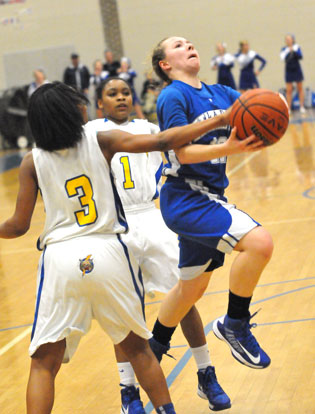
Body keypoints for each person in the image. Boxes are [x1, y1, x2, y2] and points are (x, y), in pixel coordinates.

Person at [0, 81, 237, 414]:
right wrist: (218, 119)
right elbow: (163, 140)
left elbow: (17, 226)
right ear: (71, 111)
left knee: (42, 363)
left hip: (60, 258)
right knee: (139, 350)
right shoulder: (101, 140)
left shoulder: (31, 161)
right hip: (109, 250)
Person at [88, 77, 231, 412]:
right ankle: (128, 391)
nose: (121, 97)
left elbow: (181, 151)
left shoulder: (150, 127)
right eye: (112, 94)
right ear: (100, 104)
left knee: (183, 299)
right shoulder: (92, 132)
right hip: (114, 225)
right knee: (124, 312)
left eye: (125, 92)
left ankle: (205, 372)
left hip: (152, 219)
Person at [149, 36, 273, 383]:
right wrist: (232, 145)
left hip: (208, 195)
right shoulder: (173, 95)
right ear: (165, 64)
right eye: (177, 45)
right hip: (186, 196)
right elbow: (182, 151)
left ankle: (152, 351)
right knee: (259, 242)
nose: (188, 45)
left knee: (190, 290)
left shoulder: (221, 92)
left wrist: (272, 112)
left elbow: (254, 112)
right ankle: (235, 323)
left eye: (189, 42)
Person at [280, 34, 306, 114]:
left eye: (289, 39)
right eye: (286, 39)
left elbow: (300, 56)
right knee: (289, 90)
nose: (288, 41)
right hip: (289, 71)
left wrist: (294, 50)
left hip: (297, 70)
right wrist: (289, 51)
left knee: (300, 88)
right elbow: (282, 58)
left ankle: (301, 106)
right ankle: (289, 108)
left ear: (293, 40)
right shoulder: (284, 49)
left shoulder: (297, 47)